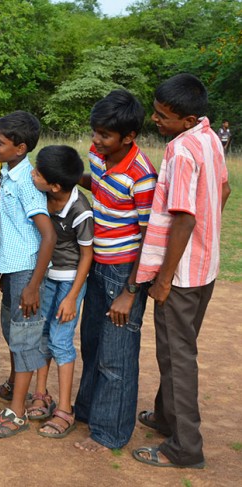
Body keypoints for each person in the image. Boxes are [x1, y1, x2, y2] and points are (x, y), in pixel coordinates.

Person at [132, 73, 231, 469]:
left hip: (183, 275)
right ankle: (165, 417)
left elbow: (184, 218)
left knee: (178, 357)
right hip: (204, 266)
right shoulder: (210, 139)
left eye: (163, 115)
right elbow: (223, 190)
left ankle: (186, 447)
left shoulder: (181, 149)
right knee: (175, 352)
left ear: (187, 119)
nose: (155, 119)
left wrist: (164, 276)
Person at [73, 90, 157, 453]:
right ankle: (90, 412)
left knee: (116, 356)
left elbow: (149, 236)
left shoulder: (142, 175)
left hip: (123, 273)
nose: (95, 140)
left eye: (104, 135)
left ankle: (109, 434)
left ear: (129, 137)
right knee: (91, 343)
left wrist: (131, 290)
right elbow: (102, 188)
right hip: (96, 265)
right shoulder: (99, 155)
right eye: (95, 132)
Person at [0, 111, 55, 438]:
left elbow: (48, 235)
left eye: (0, 143)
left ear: (21, 148)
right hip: (12, 268)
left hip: (27, 271)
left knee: (24, 339)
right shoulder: (8, 174)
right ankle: (17, 388)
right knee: (14, 335)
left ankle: (17, 412)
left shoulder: (27, 181)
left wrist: (33, 285)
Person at [29, 145, 93, 438]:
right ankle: (41, 394)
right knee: (41, 334)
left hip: (69, 281)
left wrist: (71, 297)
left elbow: (87, 256)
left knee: (60, 339)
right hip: (46, 277)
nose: (33, 174)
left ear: (55, 185)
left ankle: (65, 409)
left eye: (38, 173)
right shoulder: (43, 196)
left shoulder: (80, 209)